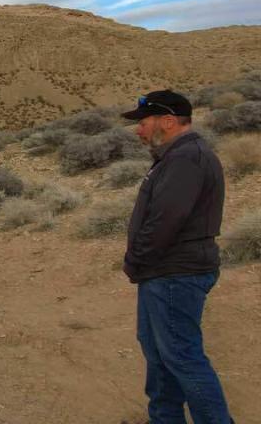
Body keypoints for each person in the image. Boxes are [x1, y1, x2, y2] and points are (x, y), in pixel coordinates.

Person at [121, 89, 234, 424]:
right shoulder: (175, 157)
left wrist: (136, 260)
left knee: (182, 357)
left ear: (167, 121)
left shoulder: (186, 158)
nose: (138, 129)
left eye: (144, 122)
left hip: (174, 274)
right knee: (159, 355)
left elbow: (166, 220)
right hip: (162, 272)